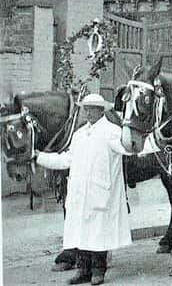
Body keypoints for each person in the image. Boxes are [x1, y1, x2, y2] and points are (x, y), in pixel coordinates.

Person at [34, 94, 131, 285]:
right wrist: (39, 156)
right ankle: (83, 271)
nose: (88, 112)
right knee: (80, 233)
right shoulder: (78, 135)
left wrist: (152, 140)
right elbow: (66, 160)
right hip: (79, 194)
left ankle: (98, 271)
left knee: (97, 233)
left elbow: (129, 148)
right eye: (86, 108)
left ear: (101, 110)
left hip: (100, 191)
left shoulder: (112, 131)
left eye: (92, 108)